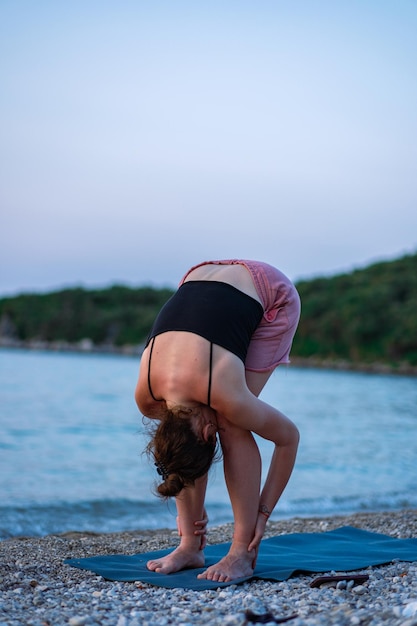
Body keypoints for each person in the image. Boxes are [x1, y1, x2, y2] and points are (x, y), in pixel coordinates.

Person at [134, 259, 301, 582]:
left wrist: (262, 515)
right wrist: (188, 517)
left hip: (271, 293)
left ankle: (242, 552)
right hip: (200, 276)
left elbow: (288, 438)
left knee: (233, 423)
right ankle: (190, 547)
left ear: (207, 434)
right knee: (185, 437)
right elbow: (177, 450)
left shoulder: (223, 393)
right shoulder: (148, 398)